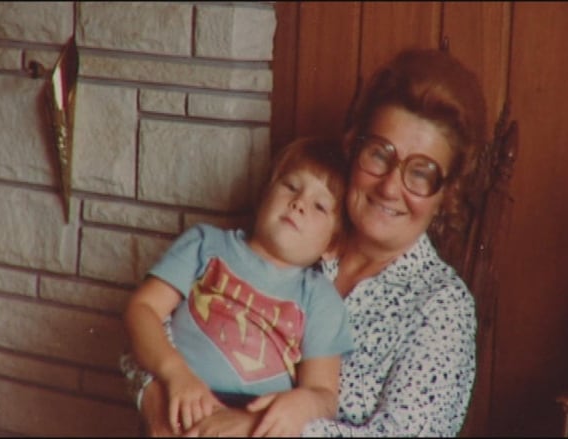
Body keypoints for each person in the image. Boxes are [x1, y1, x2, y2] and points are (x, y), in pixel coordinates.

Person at [122, 47, 485, 437]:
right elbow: (156, 326)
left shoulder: (442, 305)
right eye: (380, 154)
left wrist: (255, 430)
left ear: (446, 195)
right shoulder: (294, 233)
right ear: (354, 149)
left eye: (421, 173)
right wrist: (156, 401)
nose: (390, 187)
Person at [122, 136, 355, 436]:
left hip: (256, 422)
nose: (298, 204)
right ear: (264, 196)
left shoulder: (320, 298)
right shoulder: (205, 245)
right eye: (291, 187)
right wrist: (174, 373)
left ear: (332, 245)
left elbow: (323, 394)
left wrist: (300, 405)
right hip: (182, 396)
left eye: (320, 206)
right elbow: (142, 309)